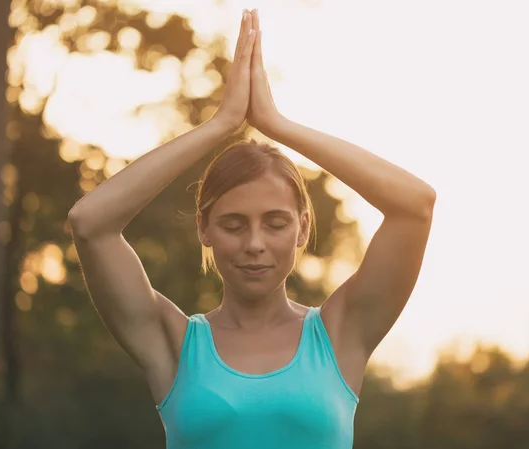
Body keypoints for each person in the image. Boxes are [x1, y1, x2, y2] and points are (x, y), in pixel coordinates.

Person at [68, 8, 436, 449]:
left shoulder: (342, 332)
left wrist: (278, 126)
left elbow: (416, 205)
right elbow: (89, 224)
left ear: (302, 228)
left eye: (275, 223)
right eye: (233, 224)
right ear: (203, 228)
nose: (254, 244)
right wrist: (221, 125)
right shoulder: (173, 344)